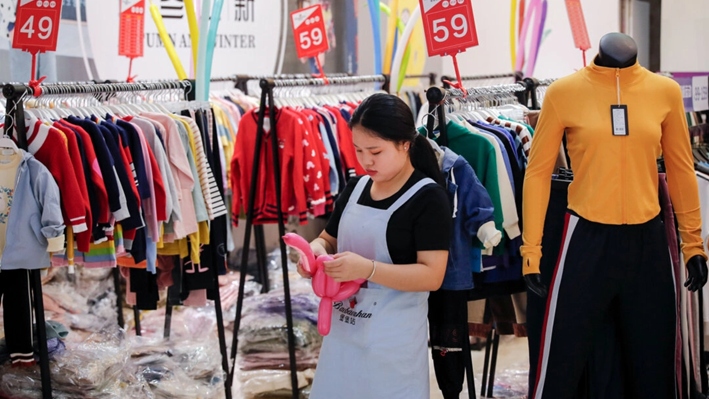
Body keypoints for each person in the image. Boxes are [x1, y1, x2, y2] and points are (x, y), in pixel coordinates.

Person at [300, 93, 452, 399]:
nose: (365, 160)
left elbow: (432, 276)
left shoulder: (428, 197)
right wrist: (314, 251)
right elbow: (327, 238)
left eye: (375, 151)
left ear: (405, 144)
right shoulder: (355, 187)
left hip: (391, 341)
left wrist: (366, 269)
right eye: (358, 150)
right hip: (343, 333)